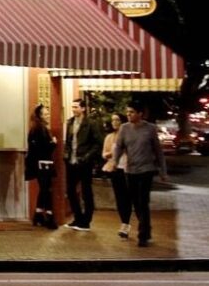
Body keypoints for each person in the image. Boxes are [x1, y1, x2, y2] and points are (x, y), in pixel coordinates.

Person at [113, 102, 168, 247]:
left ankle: (142, 234)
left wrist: (163, 170)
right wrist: (114, 162)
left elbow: (158, 151)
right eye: (127, 112)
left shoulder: (150, 129)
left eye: (131, 112)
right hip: (131, 170)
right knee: (136, 203)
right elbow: (119, 147)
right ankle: (146, 229)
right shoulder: (124, 128)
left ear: (140, 114)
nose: (128, 114)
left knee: (143, 201)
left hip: (146, 169)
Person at [63, 99, 103, 231]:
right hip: (72, 162)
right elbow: (69, 142)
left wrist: (87, 157)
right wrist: (66, 154)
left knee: (86, 191)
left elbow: (98, 143)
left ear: (83, 109)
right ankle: (78, 218)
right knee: (70, 190)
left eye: (76, 107)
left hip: (84, 162)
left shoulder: (91, 123)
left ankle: (86, 220)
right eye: (72, 107)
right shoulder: (70, 122)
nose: (73, 109)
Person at [25, 104, 58, 229]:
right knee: (46, 189)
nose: (48, 116)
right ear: (39, 116)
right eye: (45, 114)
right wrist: (53, 143)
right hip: (43, 165)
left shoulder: (38, 129)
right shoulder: (39, 130)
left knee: (45, 189)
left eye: (48, 113)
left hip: (41, 164)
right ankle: (48, 216)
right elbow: (42, 149)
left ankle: (39, 214)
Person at [102, 112, 131, 238]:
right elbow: (104, 154)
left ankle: (127, 222)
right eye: (113, 120)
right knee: (119, 197)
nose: (114, 122)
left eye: (117, 120)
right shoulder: (109, 137)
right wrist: (110, 154)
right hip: (115, 169)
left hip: (128, 169)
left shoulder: (129, 136)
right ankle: (124, 223)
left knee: (128, 197)